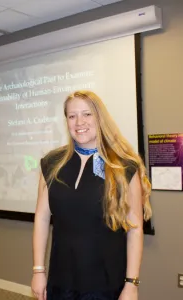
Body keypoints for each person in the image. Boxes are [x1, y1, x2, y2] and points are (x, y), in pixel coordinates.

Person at [31, 90, 152, 300]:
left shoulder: (124, 166)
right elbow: (41, 218)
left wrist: (131, 284)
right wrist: (38, 270)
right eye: (72, 116)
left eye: (87, 114)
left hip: (105, 285)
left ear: (99, 118)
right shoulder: (51, 163)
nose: (79, 122)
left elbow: (135, 229)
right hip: (61, 281)